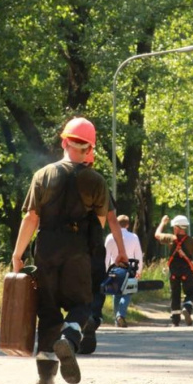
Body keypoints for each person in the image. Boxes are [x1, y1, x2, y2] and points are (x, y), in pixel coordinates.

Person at [11, 117, 118, 384]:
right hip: (77, 250)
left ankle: (45, 375)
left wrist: (17, 254)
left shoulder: (43, 175)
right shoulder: (96, 181)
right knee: (81, 304)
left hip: (46, 247)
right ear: (89, 149)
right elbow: (101, 223)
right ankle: (69, 338)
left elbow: (31, 219)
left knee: (47, 310)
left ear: (64, 141)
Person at [78, 147, 127, 355]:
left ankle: (72, 324)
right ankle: (92, 317)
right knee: (97, 286)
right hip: (93, 246)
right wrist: (121, 252)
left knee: (70, 289)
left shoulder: (60, 180)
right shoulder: (99, 184)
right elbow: (113, 221)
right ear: (92, 162)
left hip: (66, 244)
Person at [155, 214, 193, 326]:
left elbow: (157, 235)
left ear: (177, 227)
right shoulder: (192, 241)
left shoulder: (171, 239)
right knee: (190, 292)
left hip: (174, 272)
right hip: (187, 272)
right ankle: (187, 308)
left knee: (175, 294)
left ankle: (175, 320)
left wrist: (162, 222)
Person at [104, 215, 143, 328]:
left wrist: (105, 270)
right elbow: (139, 255)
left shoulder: (110, 237)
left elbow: (106, 256)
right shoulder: (134, 237)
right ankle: (120, 315)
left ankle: (117, 319)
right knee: (127, 292)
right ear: (128, 225)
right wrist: (139, 270)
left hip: (114, 268)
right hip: (129, 268)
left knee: (116, 293)